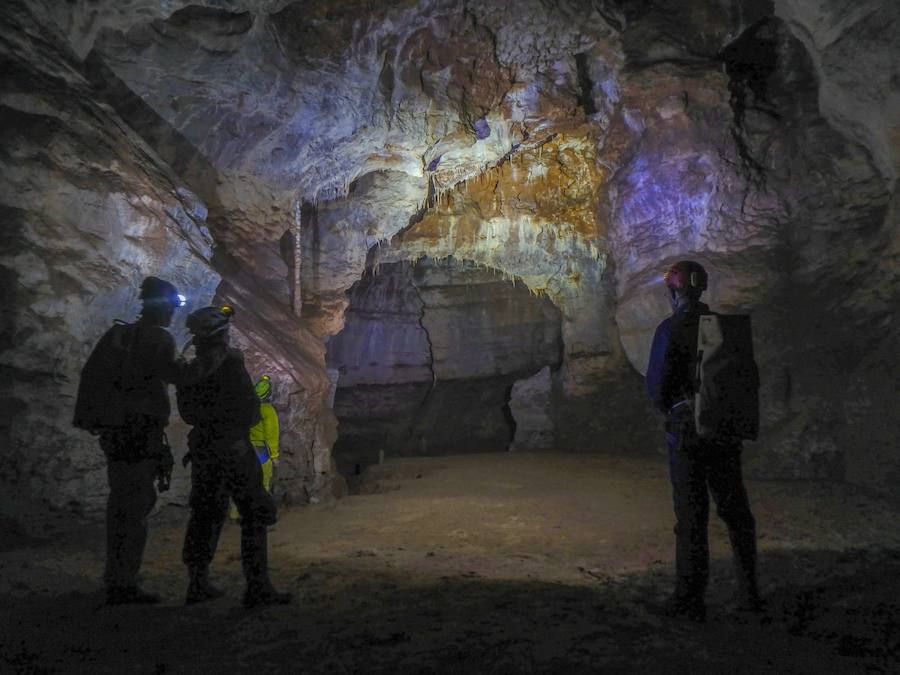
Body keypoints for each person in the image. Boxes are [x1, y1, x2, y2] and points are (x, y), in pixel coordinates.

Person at [73, 276, 227, 605]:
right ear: (162, 307)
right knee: (134, 507)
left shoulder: (121, 335)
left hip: (116, 433)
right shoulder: (156, 339)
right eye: (171, 307)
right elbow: (180, 376)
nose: (172, 314)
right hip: (139, 433)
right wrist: (213, 356)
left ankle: (117, 575)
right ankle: (122, 584)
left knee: (121, 504)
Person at [645, 260, 762, 622]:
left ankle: (689, 600)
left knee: (692, 516)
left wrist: (673, 410)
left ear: (673, 291)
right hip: (723, 430)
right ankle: (750, 593)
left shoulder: (672, 326)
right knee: (735, 510)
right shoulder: (727, 329)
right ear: (702, 288)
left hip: (687, 434)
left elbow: (658, 385)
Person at [177, 305, 292, 608]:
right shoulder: (230, 364)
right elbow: (250, 410)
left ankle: (197, 583)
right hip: (234, 450)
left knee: (205, 513)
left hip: (203, 450)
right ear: (222, 334)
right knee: (255, 511)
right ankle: (258, 586)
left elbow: (188, 414)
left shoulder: (189, 369)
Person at [229, 375, 281, 521]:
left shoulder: (244, 409)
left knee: (241, 482)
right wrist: (275, 456)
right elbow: (272, 435)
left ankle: (235, 513)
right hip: (261, 452)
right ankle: (259, 516)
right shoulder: (267, 411)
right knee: (262, 485)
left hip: (243, 450)